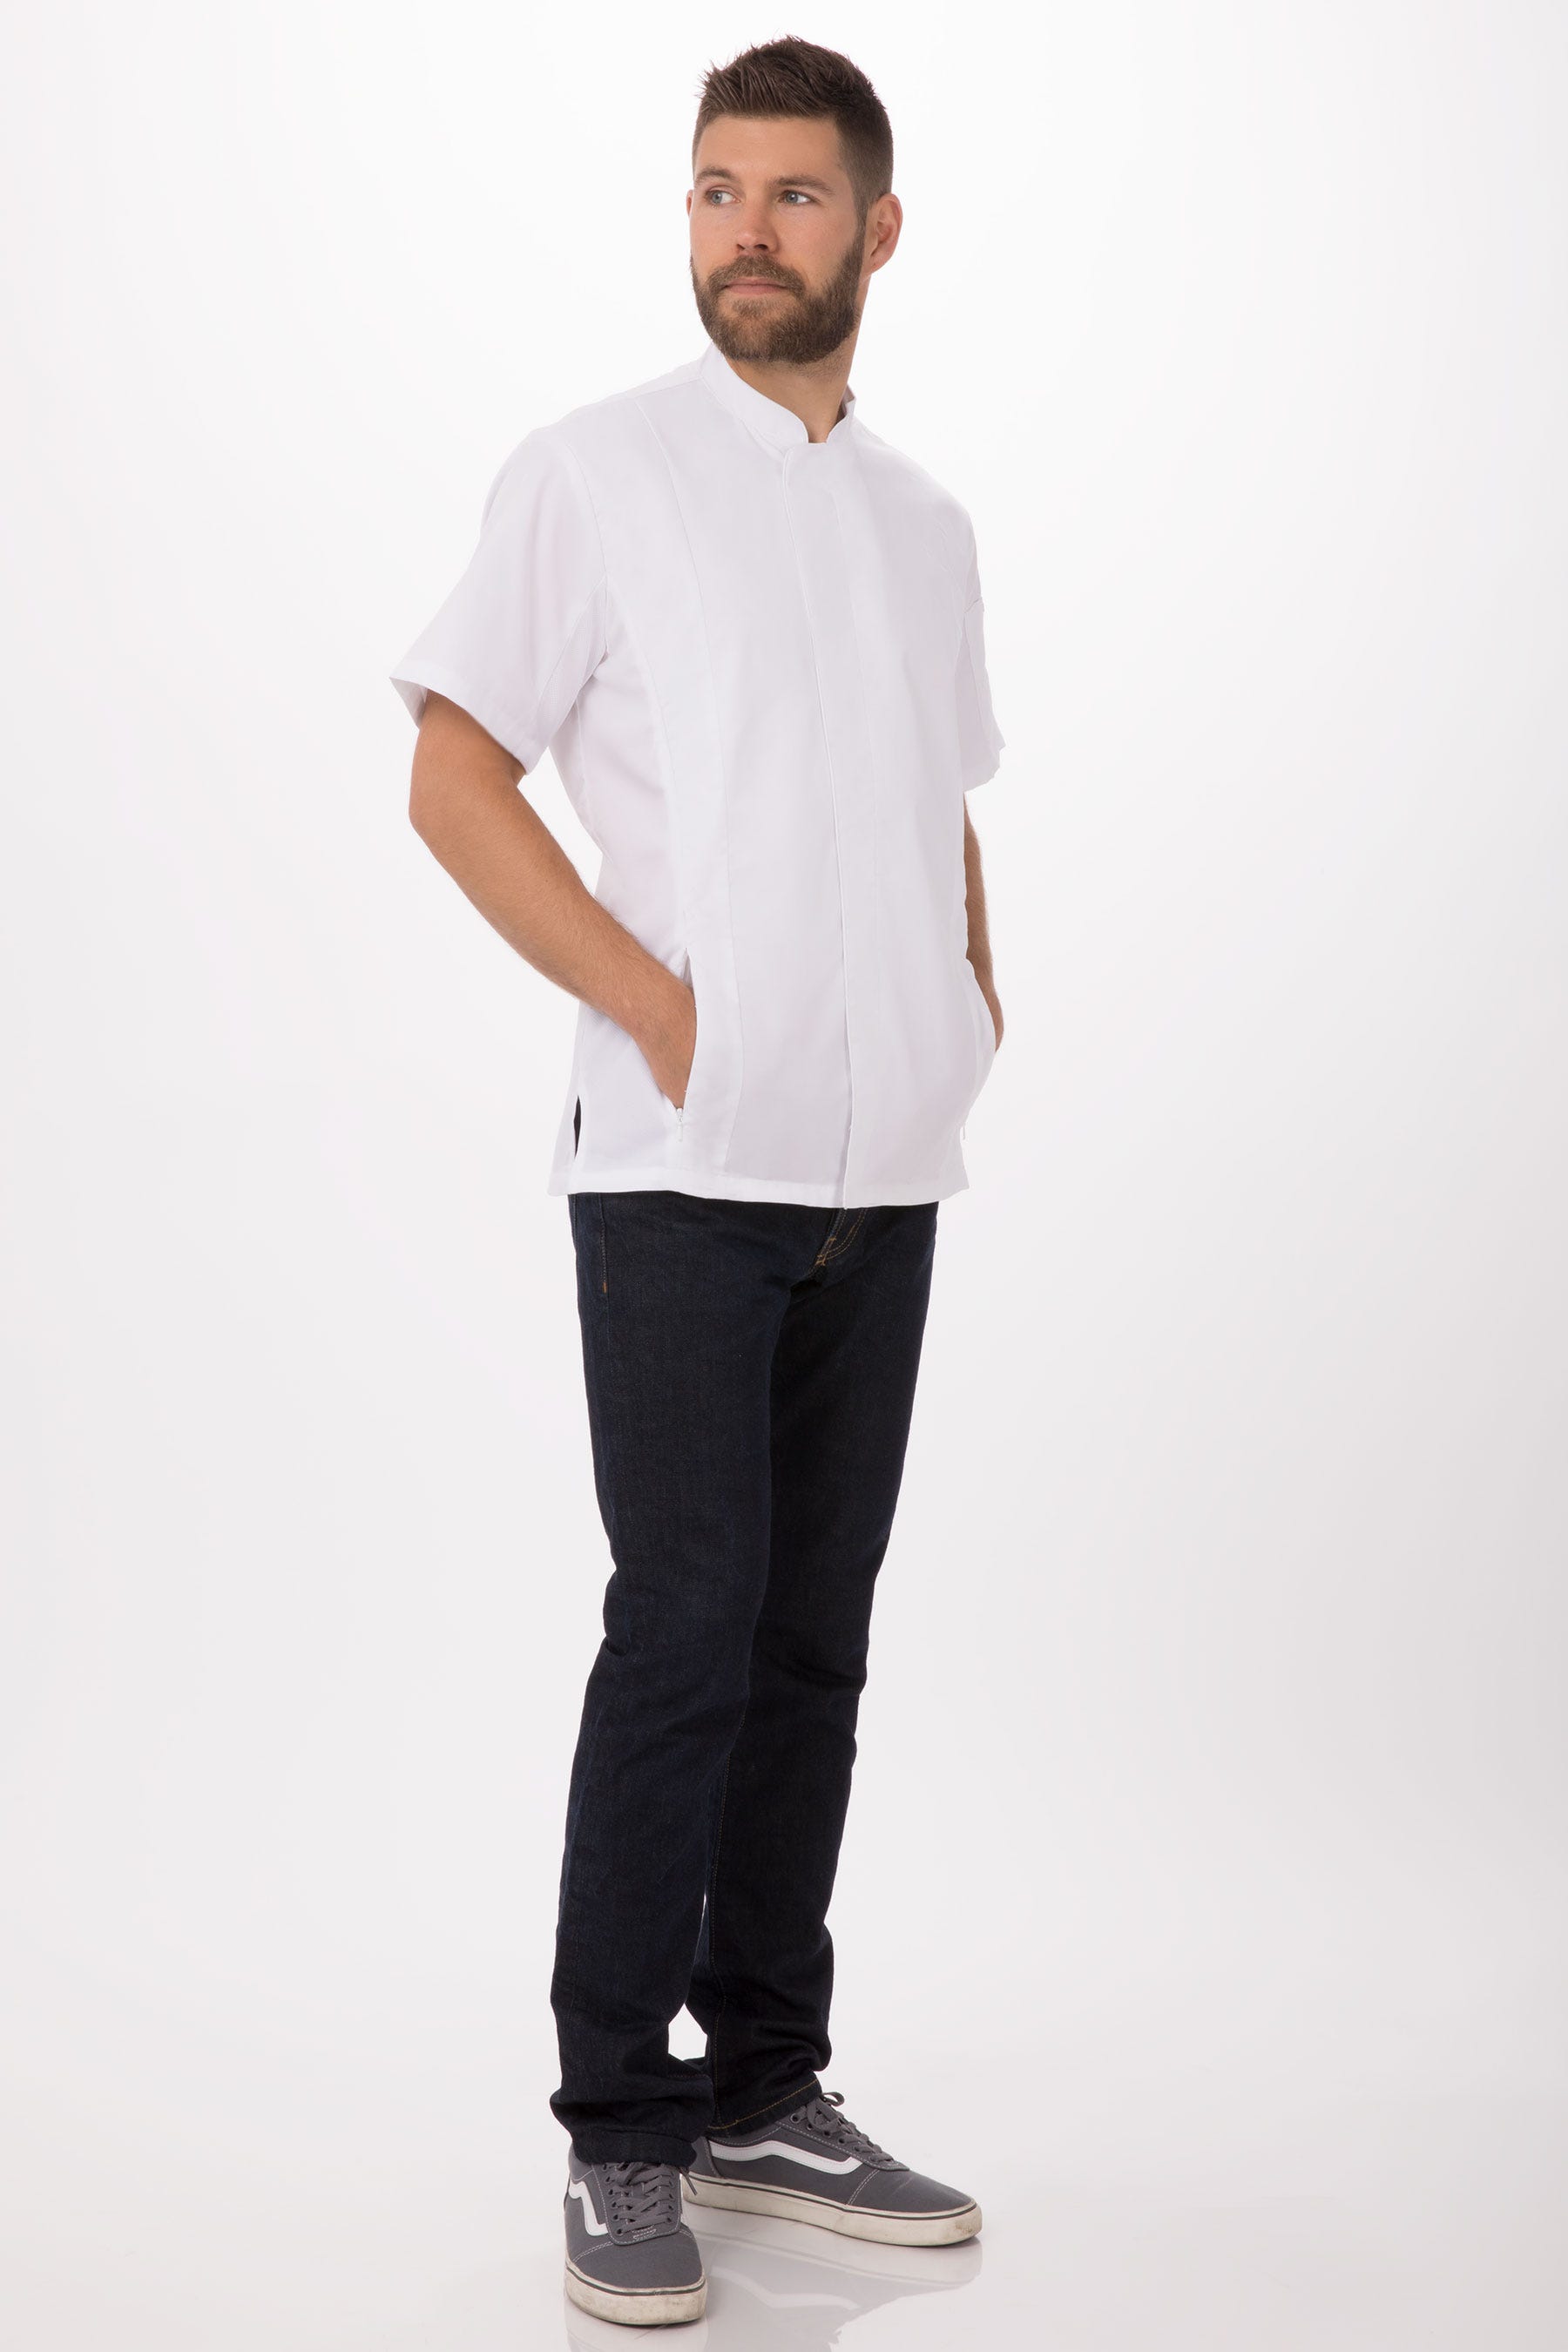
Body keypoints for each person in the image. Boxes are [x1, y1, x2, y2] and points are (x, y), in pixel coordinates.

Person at [390, 36, 1005, 2331]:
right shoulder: (597, 473)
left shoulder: (927, 524)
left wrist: (969, 998)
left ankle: (764, 2082)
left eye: (796, 194)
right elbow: (456, 777)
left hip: (887, 1174)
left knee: (813, 1639)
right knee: (686, 1626)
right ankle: (619, 2131)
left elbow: (941, 798)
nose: (749, 228)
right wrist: (656, 1004)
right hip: (679, 1174)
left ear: (878, 229)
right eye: (718, 190)